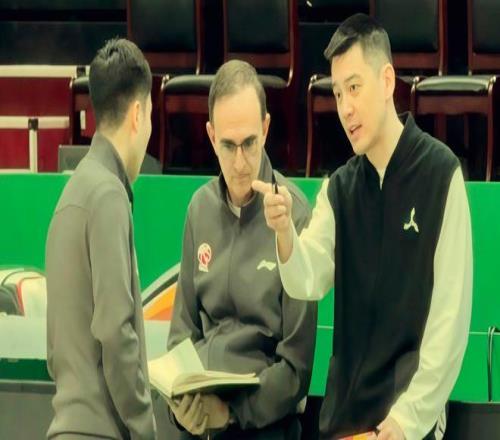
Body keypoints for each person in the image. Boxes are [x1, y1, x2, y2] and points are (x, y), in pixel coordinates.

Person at [254, 13, 472, 440]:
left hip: (408, 426)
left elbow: (450, 321)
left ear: (387, 81)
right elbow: (307, 279)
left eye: (354, 88)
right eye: (337, 93)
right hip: (343, 423)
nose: (345, 108)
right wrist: (284, 233)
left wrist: (406, 421)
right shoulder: (340, 187)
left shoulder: (441, 175)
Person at [166, 59, 317, 439]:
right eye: (228, 145)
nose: (239, 163)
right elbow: (180, 337)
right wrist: (181, 407)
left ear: (265, 129)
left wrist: (231, 414)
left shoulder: (294, 215)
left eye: (249, 143)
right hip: (200, 421)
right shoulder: (199, 209)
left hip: (266, 426)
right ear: (211, 135)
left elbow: (296, 369)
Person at [45, 38, 156, 440]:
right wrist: (145, 427)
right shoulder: (109, 195)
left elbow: (54, 348)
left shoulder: (71, 195)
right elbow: (115, 331)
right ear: (138, 114)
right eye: (151, 115)